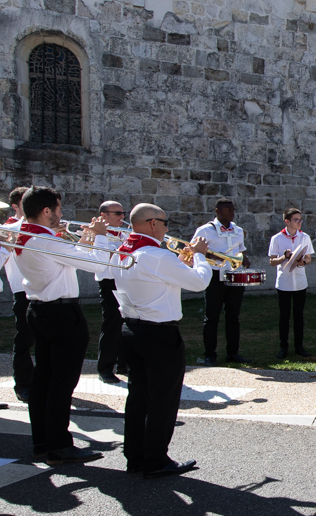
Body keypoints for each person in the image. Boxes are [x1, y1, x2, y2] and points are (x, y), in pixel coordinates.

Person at [14, 187, 114, 464]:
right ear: (46, 211)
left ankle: (42, 443)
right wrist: (101, 239)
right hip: (61, 315)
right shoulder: (47, 241)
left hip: (38, 310)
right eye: (58, 209)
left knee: (43, 380)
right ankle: (59, 445)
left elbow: (67, 258)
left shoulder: (24, 236)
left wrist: (85, 238)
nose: (61, 215)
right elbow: (98, 265)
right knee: (62, 382)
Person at [112, 203, 212, 478]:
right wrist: (201, 257)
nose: (168, 228)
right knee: (162, 400)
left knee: (138, 397)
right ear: (152, 224)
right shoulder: (156, 255)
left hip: (132, 329)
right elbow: (199, 282)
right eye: (165, 222)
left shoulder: (123, 252)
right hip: (159, 334)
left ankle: (136, 457)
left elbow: (154, 280)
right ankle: (156, 459)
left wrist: (178, 264)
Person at [194, 198, 250, 366]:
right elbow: (192, 251)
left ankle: (233, 353)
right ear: (217, 211)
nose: (232, 212)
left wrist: (244, 258)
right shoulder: (205, 230)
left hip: (234, 277)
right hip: (214, 278)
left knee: (233, 317)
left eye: (233, 209)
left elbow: (240, 251)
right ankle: (210, 354)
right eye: (228, 209)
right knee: (211, 318)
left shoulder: (238, 230)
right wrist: (209, 255)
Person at [1, 186, 33, 402]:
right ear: (15, 206)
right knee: (24, 340)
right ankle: (22, 384)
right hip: (23, 290)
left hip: (44, 290)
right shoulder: (9, 227)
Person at [92, 200, 129, 385]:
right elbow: (102, 257)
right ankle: (105, 368)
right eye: (117, 213)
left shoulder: (124, 233)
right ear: (103, 216)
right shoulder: (97, 234)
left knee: (128, 323)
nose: (122, 217)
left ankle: (124, 364)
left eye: (123, 213)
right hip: (109, 281)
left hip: (126, 280)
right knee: (112, 325)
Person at [268, 208, 314, 359]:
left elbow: (309, 257)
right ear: (287, 221)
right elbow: (272, 261)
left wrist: (303, 261)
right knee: (284, 316)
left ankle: (299, 346)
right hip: (284, 282)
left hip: (300, 281)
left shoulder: (305, 237)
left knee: (299, 315)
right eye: (296, 220)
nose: (299, 222)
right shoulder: (277, 238)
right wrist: (284, 257)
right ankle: (283, 347)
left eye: (300, 220)